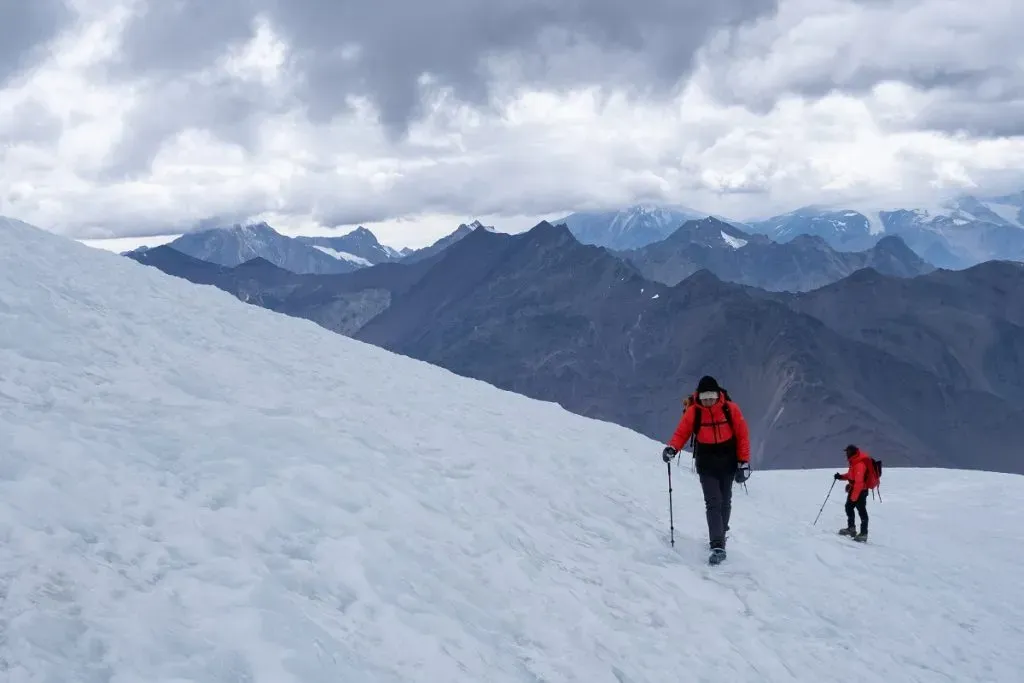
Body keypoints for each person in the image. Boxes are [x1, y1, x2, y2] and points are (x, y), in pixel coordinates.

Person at [662, 375, 751, 563]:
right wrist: (672, 448)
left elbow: (742, 435)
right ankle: (717, 544)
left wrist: (743, 462)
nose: (708, 401)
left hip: (728, 460)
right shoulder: (694, 412)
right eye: (705, 398)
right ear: (699, 397)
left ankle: (721, 531)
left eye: (711, 397)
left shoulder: (730, 409)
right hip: (706, 461)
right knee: (713, 502)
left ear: (718, 395)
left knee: (725, 500)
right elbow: (682, 432)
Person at [835, 444, 871, 542]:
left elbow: (859, 483)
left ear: (852, 452)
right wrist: (841, 477)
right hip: (854, 489)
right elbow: (851, 476)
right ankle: (851, 529)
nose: (846, 454)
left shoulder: (859, 464)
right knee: (849, 507)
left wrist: (854, 497)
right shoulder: (854, 462)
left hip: (861, 491)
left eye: (848, 452)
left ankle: (863, 533)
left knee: (861, 511)